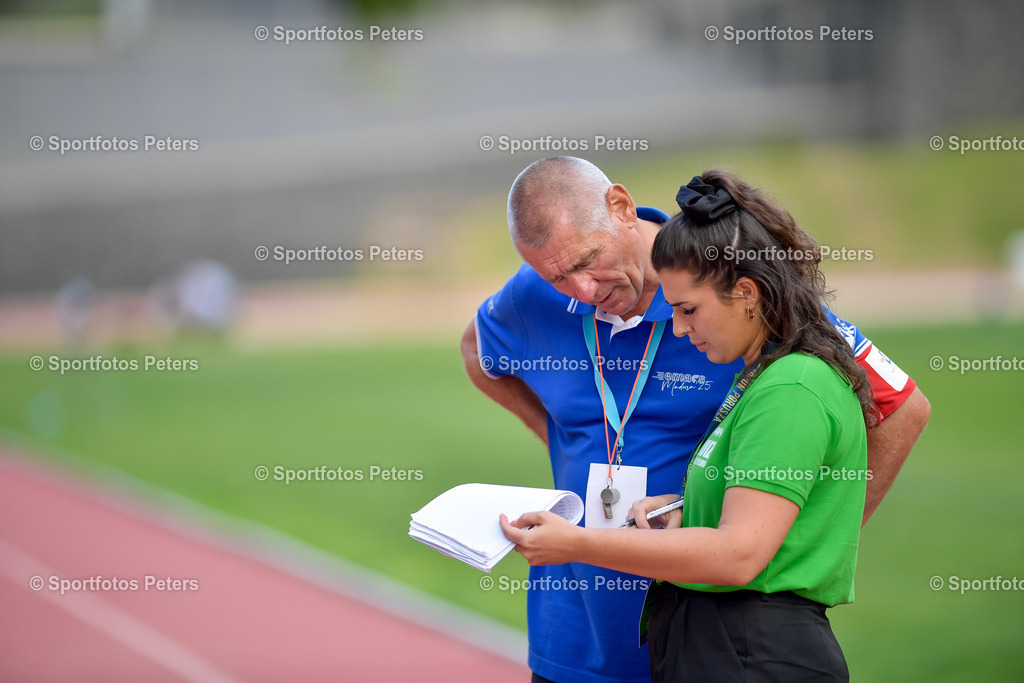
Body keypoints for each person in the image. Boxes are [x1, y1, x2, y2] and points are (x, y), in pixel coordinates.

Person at [461, 157, 930, 683]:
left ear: (619, 207)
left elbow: (901, 408)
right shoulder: (532, 297)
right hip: (573, 634)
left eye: (589, 260)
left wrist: (791, 541)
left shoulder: (722, 285)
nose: (584, 289)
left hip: (708, 632)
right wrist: (559, 437)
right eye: (558, 277)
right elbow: (477, 349)